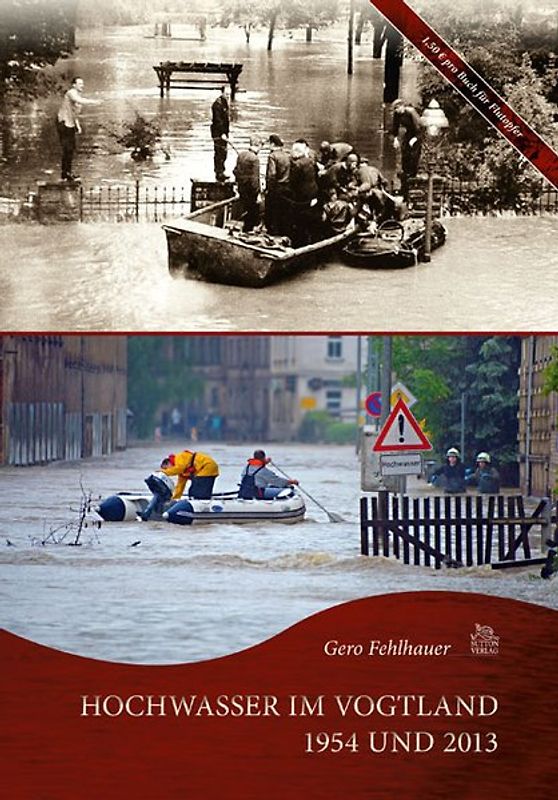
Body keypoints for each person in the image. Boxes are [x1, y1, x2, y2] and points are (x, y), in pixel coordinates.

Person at [56, 77, 101, 182]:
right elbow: (78, 100)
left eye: (82, 83)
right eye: (80, 83)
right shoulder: (71, 93)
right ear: (74, 85)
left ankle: (67, 173)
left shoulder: (77, 96)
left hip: (70, 123)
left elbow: (75, 114)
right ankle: (65, 174)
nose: (82, 85)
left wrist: (78, 125)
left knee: (71, 149)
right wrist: (94, 102)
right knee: (67, 148)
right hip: (63, 123)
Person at [287, 140, 320, 245]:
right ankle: (312, 240)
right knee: (310, 221)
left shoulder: (297, 165)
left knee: (298, 220)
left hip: (302, 197)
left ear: (295, 152)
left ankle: (299, 242)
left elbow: (293, 182)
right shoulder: (310, 161)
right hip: (313, 194)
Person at [391, 98, 423, 194]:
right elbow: (395, 127)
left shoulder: (411, 112)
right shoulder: (397, 114)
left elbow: (419, 127)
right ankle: (405, 174)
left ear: (402, 106)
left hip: (416, 135)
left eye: (397, 108)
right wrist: (395, 139)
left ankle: (412, 175)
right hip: (408, 134)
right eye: (395, 109)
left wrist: (415, 138)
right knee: (405, 154)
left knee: (413, 155)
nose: (397, 111)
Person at [233, 136, 262, 232]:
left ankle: (245, 229)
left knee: (245, 209)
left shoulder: (241, 155)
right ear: (258, 145)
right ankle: (248, 232)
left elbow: (235, 171)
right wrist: (258, 193)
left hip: (242, 189)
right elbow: (255, 179)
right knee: (252, 214)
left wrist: (238, 183)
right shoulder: (255, 159)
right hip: (251, 192)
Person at [265, 134, 290, 235]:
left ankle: (272, 233)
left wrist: (268, 189)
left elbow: (272, 175)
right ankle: (282, 233)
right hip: (286, 188)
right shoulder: (287, 155)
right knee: (283, 212)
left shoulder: (272, 156)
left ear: (272, 144)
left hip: (276, 189)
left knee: (272, 212)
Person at [210, 86, 230, 182]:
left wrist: (227, 133)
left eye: (229, 95)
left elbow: (226, 120)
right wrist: (222, 133)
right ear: (222, 93)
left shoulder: (225, 103)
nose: (228, 96)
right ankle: (218, 173)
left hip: (224, 133)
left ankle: (222, 171)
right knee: (219, 152)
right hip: (218, 133)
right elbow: (218, 121)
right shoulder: (217, 105)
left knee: (224, 152)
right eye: (227, 94)